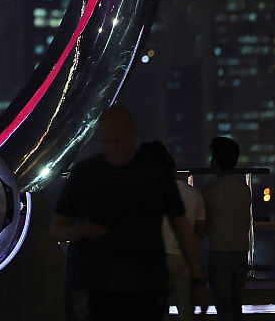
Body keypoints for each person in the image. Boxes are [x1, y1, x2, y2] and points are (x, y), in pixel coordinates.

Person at [52, 106, 205, 321]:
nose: (114, 148)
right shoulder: (152, 174)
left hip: (127, 284)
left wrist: (79, 231)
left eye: (118, 141)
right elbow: (182, 228)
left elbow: (57, 227)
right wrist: (197, 279)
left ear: (133, 136)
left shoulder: (88, 173)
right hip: (117, 285)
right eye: (109, 142)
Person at [140, 141, 206, 321]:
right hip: (184, 259)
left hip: (157, 258)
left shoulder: (147, 194)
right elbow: (200, 232)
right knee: (185, 309)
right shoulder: (194, 194)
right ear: (174, 170)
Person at [202, 136, 251, 320]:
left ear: (216, 161)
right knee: (236, 307)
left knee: (223, 309)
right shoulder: (244, 189)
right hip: (240, 252)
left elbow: (204, 223)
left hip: (219, 253)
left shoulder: (211, 190)